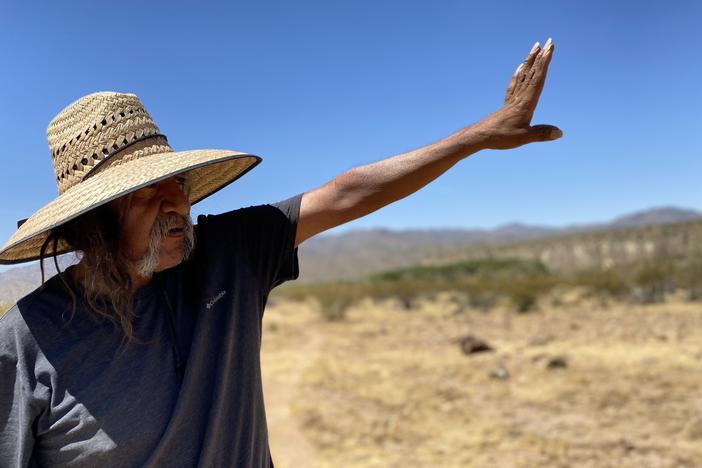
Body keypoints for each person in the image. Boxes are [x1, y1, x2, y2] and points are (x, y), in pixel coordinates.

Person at [0, 39, 561, 467]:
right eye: (149, 193)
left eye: (179, 185)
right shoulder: (28, 341)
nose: (179, 205)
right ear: (95, 223)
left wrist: (476, 137)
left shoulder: (228, 257)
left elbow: (345, 193)